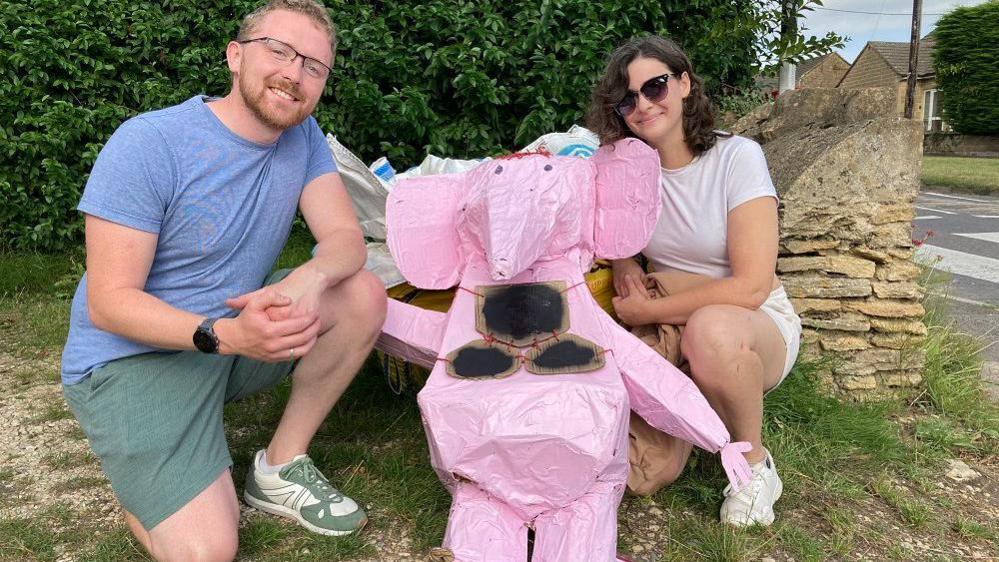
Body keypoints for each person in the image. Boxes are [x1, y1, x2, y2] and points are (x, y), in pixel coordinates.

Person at [59, 1, 386, 559]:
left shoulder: (303, 139)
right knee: (209, 549)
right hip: (129, 361)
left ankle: (278, 467)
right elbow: (109, 305)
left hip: (232, 334)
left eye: (314, 66)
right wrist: (230, 336)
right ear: (235, 56)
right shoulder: (149, 143)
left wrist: (308, 279)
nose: (294, 73)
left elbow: (345, 241)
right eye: (279, 51)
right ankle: (151, 476)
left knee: (360, 293)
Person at [586, 35, 802, 527]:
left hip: (750, 324)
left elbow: (752, 285)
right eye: (627, 99)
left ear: (684, 84)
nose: (642, 105)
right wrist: (624, 264)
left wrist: (647, 313)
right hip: (675, 315)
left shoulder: (736, 158)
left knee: (710, 331)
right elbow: (616, 236)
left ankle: (754, 466)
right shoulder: (627, 172)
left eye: (655, 87)